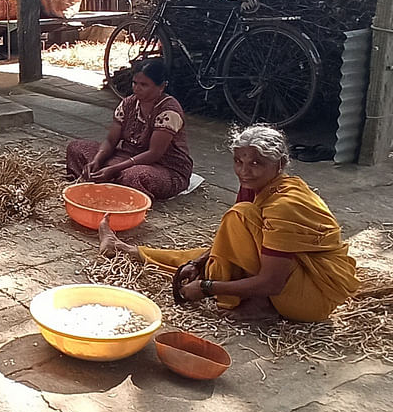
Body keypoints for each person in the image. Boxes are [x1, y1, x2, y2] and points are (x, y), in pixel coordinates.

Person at [98, 125, 360, 322]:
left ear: (279, 164)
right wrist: (197, 263)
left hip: (312, 296)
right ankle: (125, 248)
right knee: (211, 254)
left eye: (256, 163)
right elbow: (229, 243)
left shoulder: (286, 205)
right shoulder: (259, 187)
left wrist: (207, 287)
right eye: (239, 161)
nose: (244, 171)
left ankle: (262, 304)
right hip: (289, 273)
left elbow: (273, 282)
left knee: (234, 225)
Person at [66, 60, 193, 200]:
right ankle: (103, 181)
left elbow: (154, 153)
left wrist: (114, 168)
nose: (137, 88)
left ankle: (111, 183)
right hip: (125, 157)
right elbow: (110, 140)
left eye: (144, 85)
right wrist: (97, 160)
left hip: (163, 167)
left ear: (162, 86)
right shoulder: (128, 103)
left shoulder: (169, 111)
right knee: (77, 148)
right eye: (135, 83)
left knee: (134, 177)